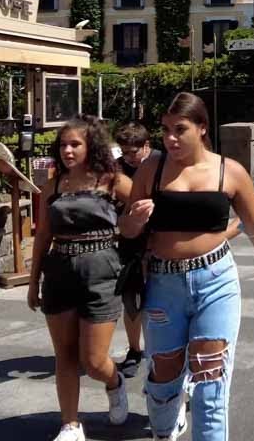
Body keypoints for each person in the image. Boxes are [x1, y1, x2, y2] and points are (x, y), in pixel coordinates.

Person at [121, 92, 254, 441]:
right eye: (165, 129)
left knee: (211, 381)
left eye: (179, 129)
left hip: (216, 282)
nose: (170, 138)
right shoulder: (151, 168)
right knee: (163, 376)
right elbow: (127, 230)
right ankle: (164, 431)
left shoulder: (230, 172)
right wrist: (134, 221)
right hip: (163, 285)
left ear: (201, 128)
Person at [27, 116, 133, 441]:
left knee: (94, 360)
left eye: (75, 144)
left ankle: (115, 382)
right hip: (59, 271)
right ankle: (70, 425)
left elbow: (144, 207)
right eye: (63, 145)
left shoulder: (112, 180)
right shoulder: (53, 185)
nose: (68, 150)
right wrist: (33, 282)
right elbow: (43, 234)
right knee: (65, 355)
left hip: (101, 272)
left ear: (91, 146)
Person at [113, 121, 161, 379]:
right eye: (124, 152)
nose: (129, 158)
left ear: (147, 145)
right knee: (130, 297)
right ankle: (134, 350)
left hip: (159, 239)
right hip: (130, 239)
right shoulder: (119, 168)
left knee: (159, 298)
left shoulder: (161, 163)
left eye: (133, 151)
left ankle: (161, 349)